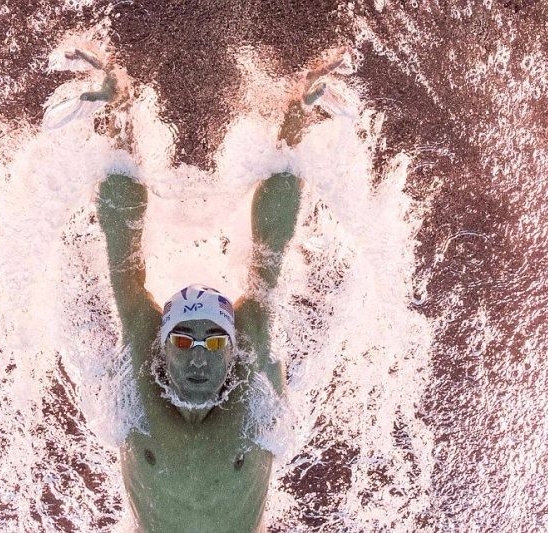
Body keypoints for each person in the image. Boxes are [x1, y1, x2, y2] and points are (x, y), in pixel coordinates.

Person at [78, 48, 341, 532]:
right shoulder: (139, 368)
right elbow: (122, 252)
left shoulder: (253, 369)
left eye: (215, 342)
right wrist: (118, 113)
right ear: (162, 345)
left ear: (233, 347)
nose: (198, 358)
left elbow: (271, 247)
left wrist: (294, 122)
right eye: (183, 341)